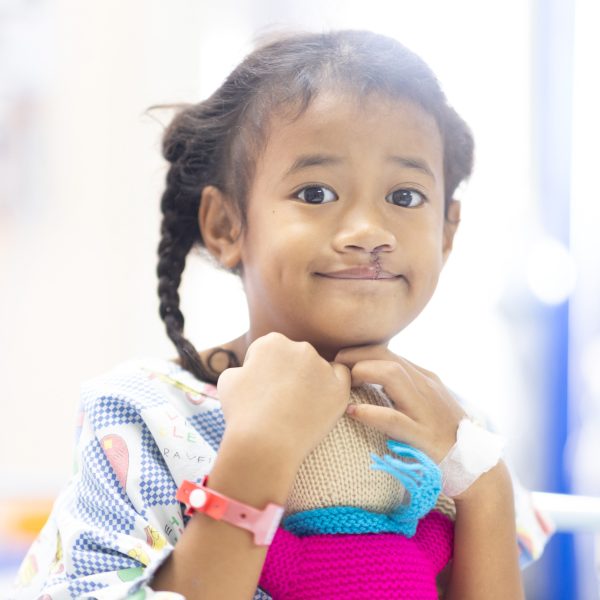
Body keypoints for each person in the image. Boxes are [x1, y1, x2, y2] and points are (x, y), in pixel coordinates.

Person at [11, 30, 552, 600]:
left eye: (406, 196)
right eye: (316, 193)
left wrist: (483, 481)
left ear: (448, 231)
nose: (370, 232)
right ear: (225, 225)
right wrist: (260, 450)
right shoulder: (143, 413)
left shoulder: (459, 426)